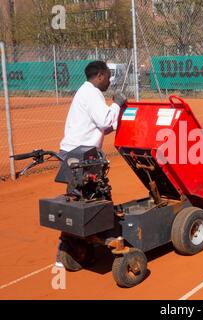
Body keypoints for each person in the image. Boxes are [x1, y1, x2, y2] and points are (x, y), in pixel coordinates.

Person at [55, 61, 127, 268]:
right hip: (82, 156)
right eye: (108, 77)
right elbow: (105, 120)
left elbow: (100, 126)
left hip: (73, 153)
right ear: (101, 75)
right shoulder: (93, 94)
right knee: (99, 197)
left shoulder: (83, 91)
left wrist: (111, 121)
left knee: (78, 199)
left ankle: (72, 249)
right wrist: (117, 104)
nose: (109, 81)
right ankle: (111, 242)